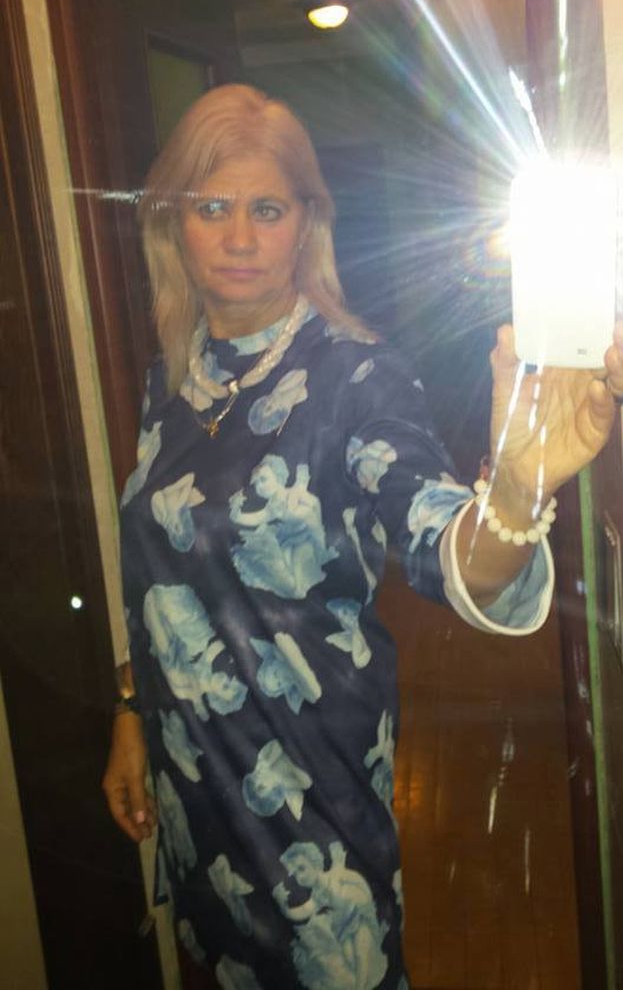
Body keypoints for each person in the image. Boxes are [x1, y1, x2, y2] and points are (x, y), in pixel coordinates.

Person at [103, 83, 623, 990]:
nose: (237, 237)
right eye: (211, 208)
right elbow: (164, 573)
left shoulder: (357, 377)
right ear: (170, 225)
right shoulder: (170, 380)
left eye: (267, 210)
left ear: (307, 224)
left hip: (311, 826)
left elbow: (446, 550)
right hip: (195, 807)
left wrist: (513, 488)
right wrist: (129, 709)